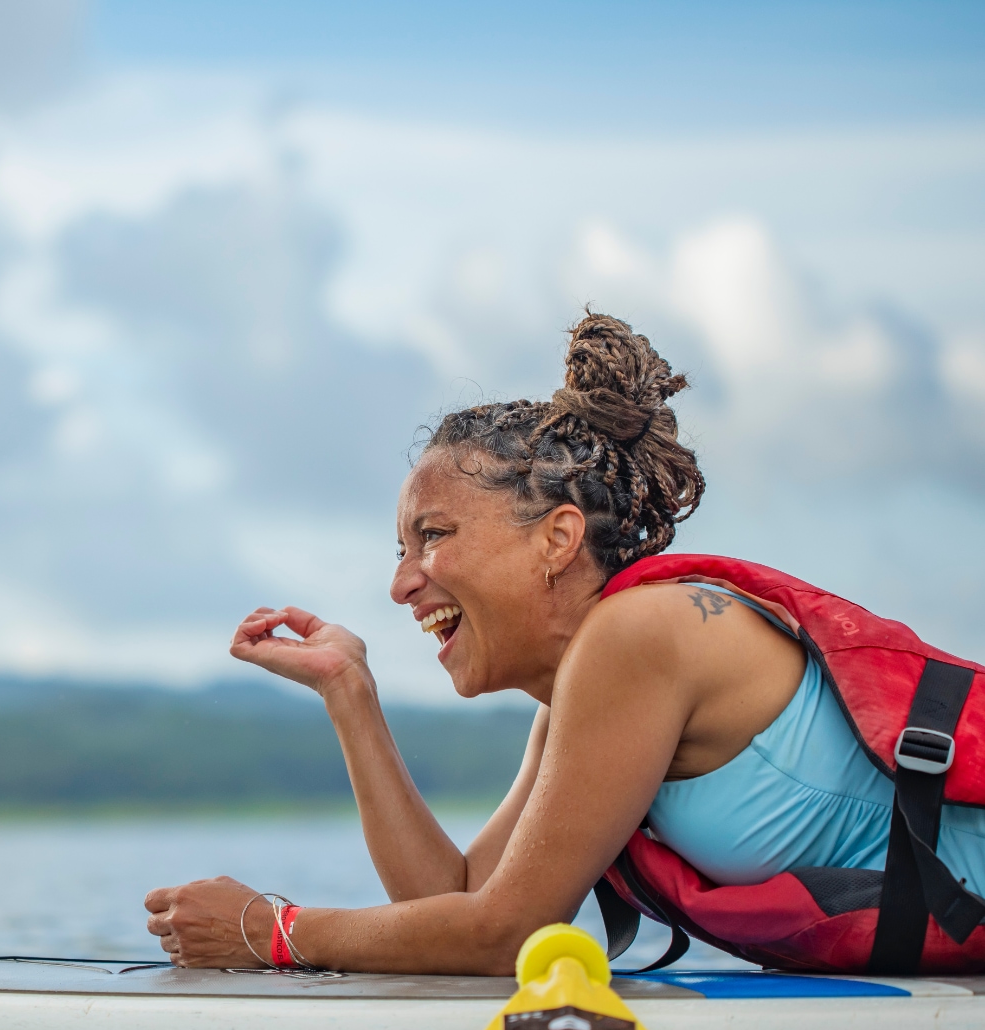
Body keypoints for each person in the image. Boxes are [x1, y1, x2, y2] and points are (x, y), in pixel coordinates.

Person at [144, 312, 985, 974]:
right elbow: (456, 900)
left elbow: (501, 936)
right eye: (400, 552)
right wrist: (349, 693)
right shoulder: (585, 697)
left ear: (556, 538)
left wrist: (272, 930)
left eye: (431, 536)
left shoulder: (641, 636)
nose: (402, 583)